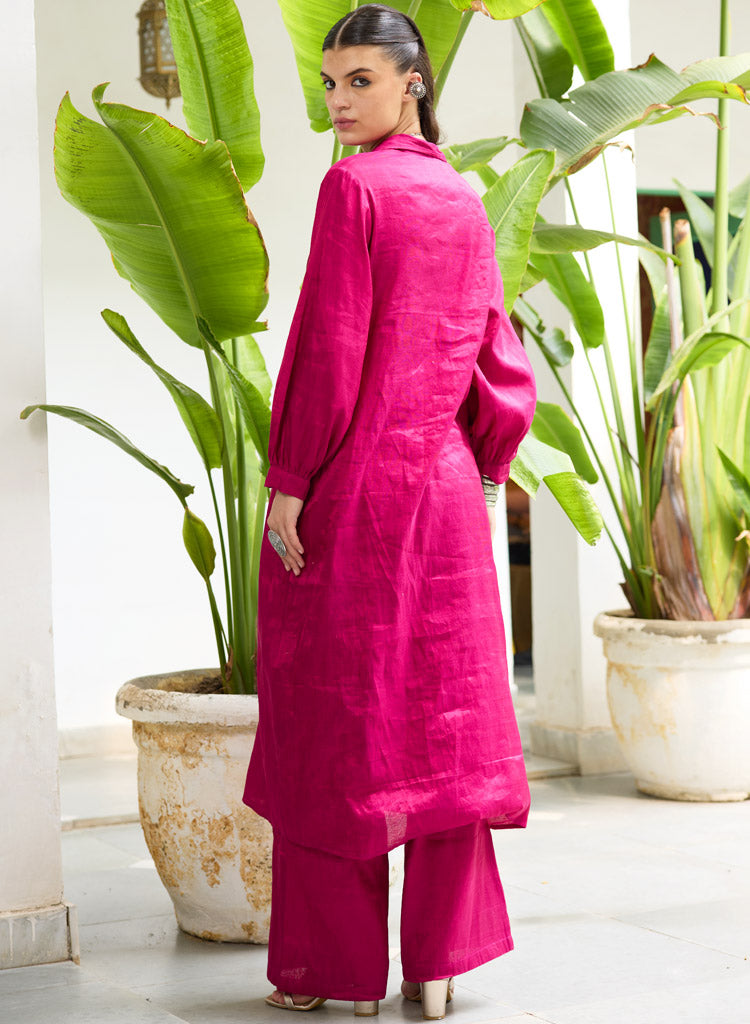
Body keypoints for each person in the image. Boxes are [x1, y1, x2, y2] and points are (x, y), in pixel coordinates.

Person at [242, 4, 537, 1018]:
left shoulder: (353, 188)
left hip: (356, 488)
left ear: (413, 81)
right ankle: (440, 966)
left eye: (358, 80)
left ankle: (338, 975)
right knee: (443, 724)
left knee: (339, 723)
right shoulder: (461, 195)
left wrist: (291, 479)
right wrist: (483, 463)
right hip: (444, 490)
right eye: (330, 83)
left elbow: (330, 348)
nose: (338, 101)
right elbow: (498, 358)